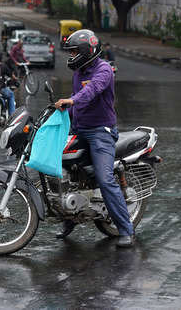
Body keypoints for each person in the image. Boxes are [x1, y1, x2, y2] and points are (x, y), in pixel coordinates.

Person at [53, 29, 135, 248]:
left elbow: (91, 92)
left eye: (73, 52)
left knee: (105, 178)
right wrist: (58, 118)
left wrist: (71, 101)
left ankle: (126, 229)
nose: (70, 57)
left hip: (101, 132)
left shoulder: (104, 70)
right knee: (65, 172)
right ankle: (70, 218)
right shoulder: (79, 72)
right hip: (79, 129)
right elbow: (76, 103)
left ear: (85, 51)